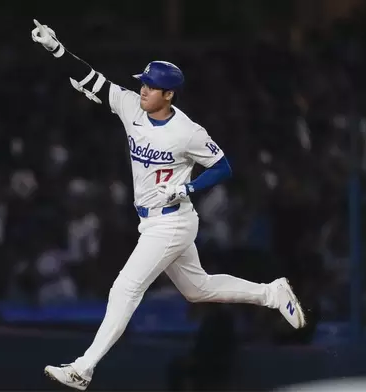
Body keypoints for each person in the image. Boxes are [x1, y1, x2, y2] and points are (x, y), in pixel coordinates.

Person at [31, 20, 306, 390]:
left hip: (173, 222)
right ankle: (272, 293)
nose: (142, 89)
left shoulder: (187, 132)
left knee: (124, 288)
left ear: (169, 95)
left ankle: (84, 368)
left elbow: (223, 167)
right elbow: (91, 77)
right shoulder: (131, 106)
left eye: (151, 86)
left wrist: (189, 187)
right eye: (142, 83)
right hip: (151, 221)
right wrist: (55, 47)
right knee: (198, 290)